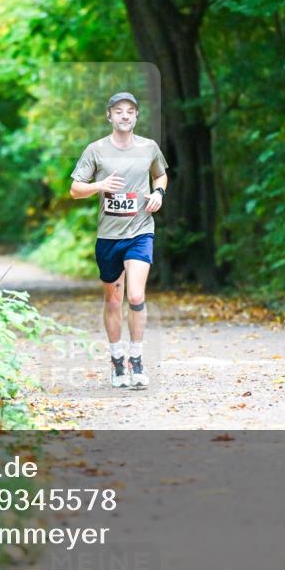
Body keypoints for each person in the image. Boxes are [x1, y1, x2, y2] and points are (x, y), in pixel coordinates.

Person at [69, 92, 168, 389]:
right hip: (109, 236)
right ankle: (116, 360)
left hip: (140, 230)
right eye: (118, 111)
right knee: (113, 299)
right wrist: (100, 185)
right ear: (109, 116)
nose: (125, 116)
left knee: (136, 296)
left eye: (130, 111)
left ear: (136, 117)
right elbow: (75, 189)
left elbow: (160, 176)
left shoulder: (149, 147)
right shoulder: (96, 150)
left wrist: (158, 194)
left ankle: (136, 357)